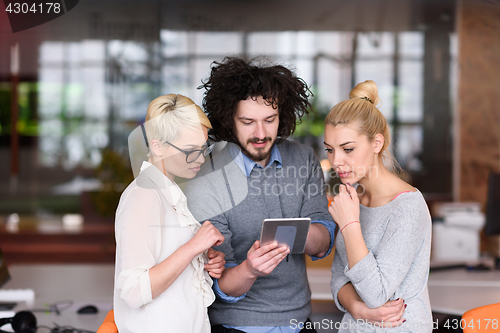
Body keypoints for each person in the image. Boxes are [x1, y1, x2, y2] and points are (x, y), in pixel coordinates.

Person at [185, 57, 404, 333]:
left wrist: (291, 234)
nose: (261, 133)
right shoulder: (208, 177)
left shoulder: (302, 159)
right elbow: (219, 282)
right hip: (237, 324)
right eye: (248, 122)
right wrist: (250, 269)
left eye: (270, 120)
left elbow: (324, 239)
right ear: (230, 120)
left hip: (298, 322)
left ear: (282, 116)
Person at [326, 80, 433, 332]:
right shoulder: (354, 200)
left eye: (347, 149)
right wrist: (357, 309)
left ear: (376, 143)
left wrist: (350, 225)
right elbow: (339, 278)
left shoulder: (407, 207)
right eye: (330, 150)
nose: (335, 161)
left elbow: (378, 294)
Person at [113, 94, 226, 333]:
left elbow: (168, 262)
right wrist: (193, 247)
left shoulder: (167, 193)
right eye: (190, 150)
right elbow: (134, 291)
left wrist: (204, 258)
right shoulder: (144, 195)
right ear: (157, 146)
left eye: (203, 148)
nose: (200, 158)